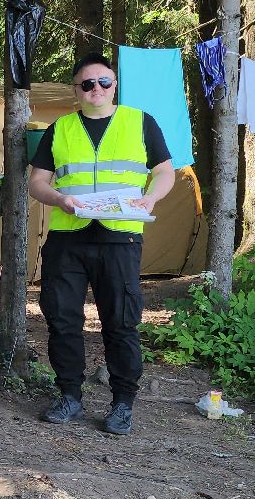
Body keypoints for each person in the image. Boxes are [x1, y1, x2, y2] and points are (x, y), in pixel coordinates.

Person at [26, 53, 176, 435]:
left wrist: (152, 198)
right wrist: (59, 199)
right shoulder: (60, 129)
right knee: (62, 320)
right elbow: (37, 182)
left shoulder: (140, 122)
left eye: (104, 82)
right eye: (88, 84)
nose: (96, 89)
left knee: (121, 323)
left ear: (115, 85)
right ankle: (70, 396)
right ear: (76, 90)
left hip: (120, 238)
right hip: (67, 238)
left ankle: (123, 403)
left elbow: (164, 172)